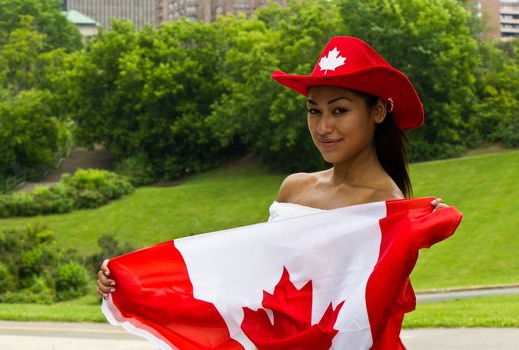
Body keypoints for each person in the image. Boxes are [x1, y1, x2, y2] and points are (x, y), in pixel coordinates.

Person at [97, 36, 449, 342]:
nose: (324, 127)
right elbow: (248, 278)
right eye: (314, 111)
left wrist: (416, 225)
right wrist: (135, 281)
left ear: (377, 112)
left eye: (339, 110)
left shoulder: (385, 206)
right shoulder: (294, 188)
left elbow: (363, 316)